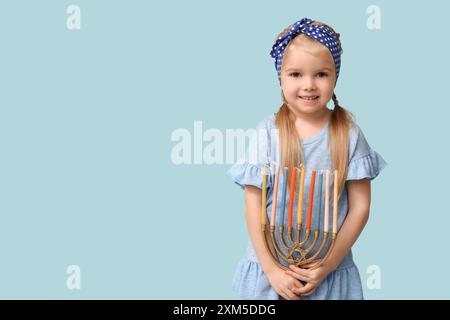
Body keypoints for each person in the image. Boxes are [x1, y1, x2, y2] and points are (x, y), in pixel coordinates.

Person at [227, 17, 387, 300]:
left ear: (336, 76)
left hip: (329, 273)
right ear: (281, 77)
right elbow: (253, 204)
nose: (309, 85)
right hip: (270, 272)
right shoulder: (267, 133)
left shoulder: (349, 135)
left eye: (321, 74)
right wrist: (272, 271)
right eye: (296, 74)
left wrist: (326, 266)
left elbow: (360, 207)